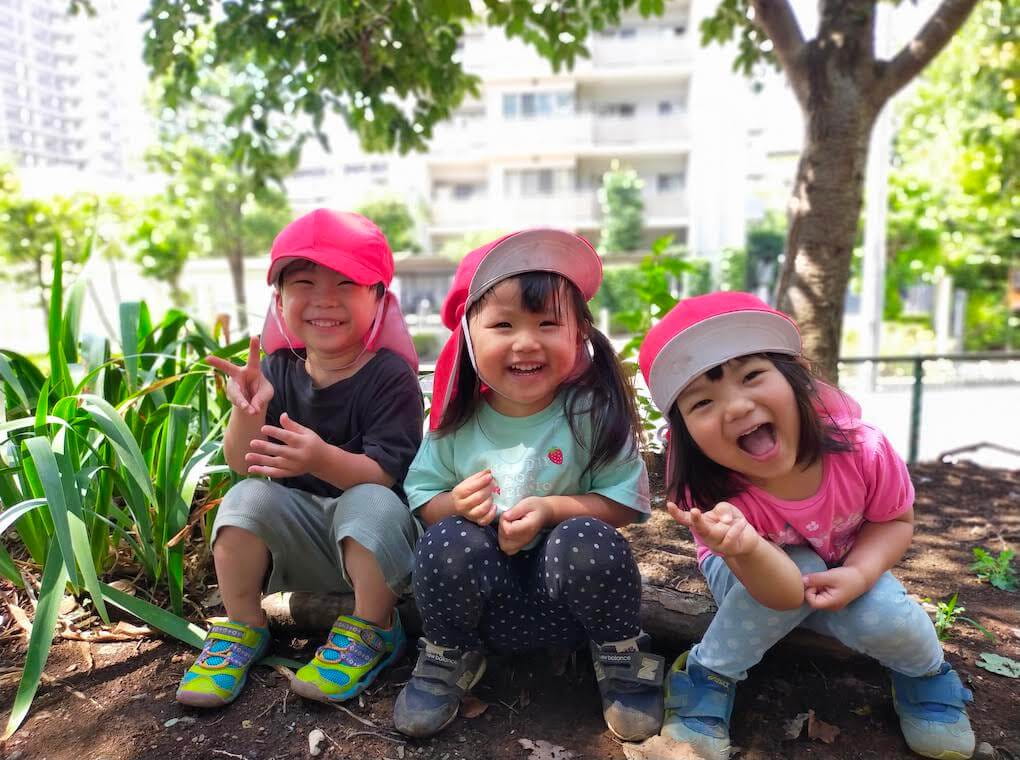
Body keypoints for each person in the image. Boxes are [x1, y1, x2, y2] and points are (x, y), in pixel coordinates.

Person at [638, 291, 975, 760]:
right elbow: (780, 594)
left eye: (752, 376)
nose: (735, 407)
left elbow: (894, 521)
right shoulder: (717, 498)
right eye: (703, 402)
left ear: (796, 379)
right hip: (749, 570)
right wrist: (746, 546)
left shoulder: (864, 451)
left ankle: (926, 673)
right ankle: (709, 672)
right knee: (796, 571)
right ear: (686, 434)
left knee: (882, 612)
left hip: (847, 556)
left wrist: (859, 573)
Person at [392, 229, 665, 740]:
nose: (525, 342)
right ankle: (448, 654)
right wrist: (454, 505)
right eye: (503, 324)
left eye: (547, 323)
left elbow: (624, 504)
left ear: (579, 333)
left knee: (588, 537)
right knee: (446, 539)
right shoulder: (456, 423)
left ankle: (619, 655)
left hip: (570, 610)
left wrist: (552, 509)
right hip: (484, 614)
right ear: (469, 337)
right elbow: (423, 498)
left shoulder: (591, 414)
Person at [176, 209, 424, 708]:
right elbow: (243, 463)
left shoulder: (391, 377)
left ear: (379, 297)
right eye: (304, 284)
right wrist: (249, 409)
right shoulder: (277, 370)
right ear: (279, 301)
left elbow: (383, 473)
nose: (324, 299)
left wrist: (318, 457)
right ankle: (244, 625)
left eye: (346, 283)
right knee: (245, 498)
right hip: (302, 544)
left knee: (371, 500)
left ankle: (374, 627)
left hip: (376, 548)